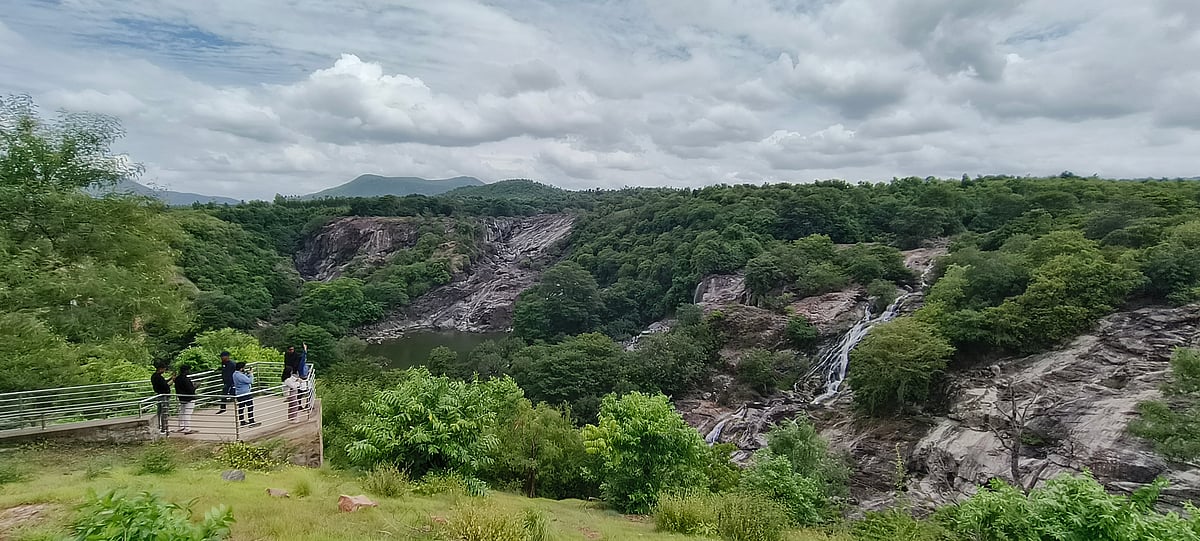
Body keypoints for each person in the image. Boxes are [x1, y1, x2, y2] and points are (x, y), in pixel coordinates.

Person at [233, 362, 259, 427]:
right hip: (246, 393)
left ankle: (242, 421)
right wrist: (251, 374)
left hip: (239, 393)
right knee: (250, 407)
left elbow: (244, 380)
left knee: (241, 407)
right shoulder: (240, 375)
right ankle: (251, 421)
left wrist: (246, 375)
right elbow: (250, 381)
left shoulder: (235, 374)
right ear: (241, 368)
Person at [150, 363, 173, 435]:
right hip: (163, 396)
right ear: (160, 369)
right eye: (164, 369)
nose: (164, 370)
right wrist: (172, 381)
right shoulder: (159, 377)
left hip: (159, 395)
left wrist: (170, 378)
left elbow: (164, 382)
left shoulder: (154, 376)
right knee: (164, 412)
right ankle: (164, 428)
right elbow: (165, 385)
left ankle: (159, 427)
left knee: (159, 412)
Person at [174, 364, 197, 434]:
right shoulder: (186, 379)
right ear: (186, 371)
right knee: (187, 413)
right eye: (188, 370)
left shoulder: (177, 379)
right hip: (189, 398)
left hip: (181, 398)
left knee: (182, 412)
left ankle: (181, 426)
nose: (189, 371)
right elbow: (190, 390)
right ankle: (187, 428)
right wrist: (195, 386)